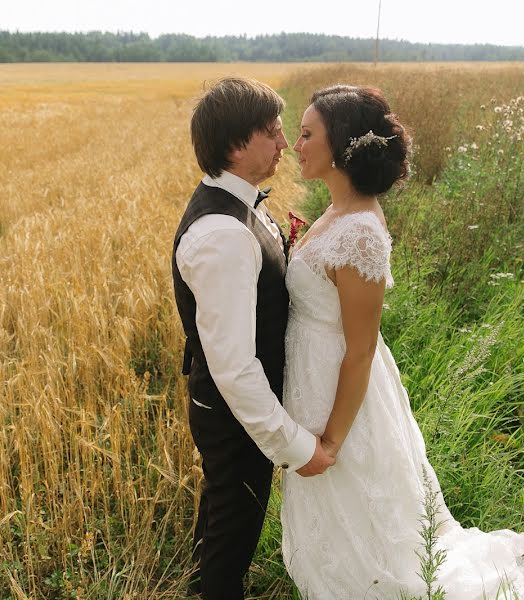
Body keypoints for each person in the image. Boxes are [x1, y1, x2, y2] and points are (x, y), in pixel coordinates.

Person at [280, 85, 524, 599]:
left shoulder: (360, 233)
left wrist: (331, 439)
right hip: (313, 377)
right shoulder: (337, 212)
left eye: (308, 134)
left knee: (359, 505)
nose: (296, 144)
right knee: (333, 514)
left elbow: (360, 348)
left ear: (342, 146)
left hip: (342, 389)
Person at [171, 77, 335, 600]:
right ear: (237, 145)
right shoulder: (222, 235)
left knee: (226, 509)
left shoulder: (238, 205)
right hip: (231, 412)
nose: (286, 143)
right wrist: (292, 446)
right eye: (272, 133)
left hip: (230, 406)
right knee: (234, 525)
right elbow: (235, 368)